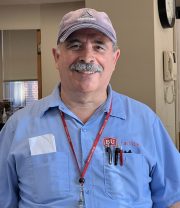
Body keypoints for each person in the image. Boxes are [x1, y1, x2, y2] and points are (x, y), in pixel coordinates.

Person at [0, 8, 180, 208]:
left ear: (115, 58)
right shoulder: (18, 127)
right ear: (56, 57)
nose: (87, 57)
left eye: (99, 46)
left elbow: (173, 199)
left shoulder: (146, 122)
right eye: (75, 45)